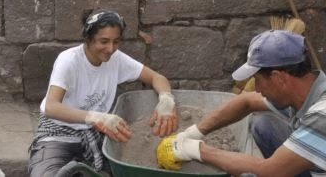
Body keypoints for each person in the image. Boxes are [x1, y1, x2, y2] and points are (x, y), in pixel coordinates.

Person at [29, 11, 178, 176]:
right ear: (88, 38)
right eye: (104, 41)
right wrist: (96, 117)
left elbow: (157, 78)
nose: (111, 48)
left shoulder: (116, 60)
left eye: (116, 42)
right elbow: (51, 107)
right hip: (59, 132)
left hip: (95, 133)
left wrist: (166, 99)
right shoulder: (69, 61)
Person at [159, 29, 326, 177]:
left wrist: (193, 149)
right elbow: (246, 101)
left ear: (278, 78)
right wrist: (193, 132)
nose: (257, 88)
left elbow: (269, 171)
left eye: (257, 80)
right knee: (263, 125)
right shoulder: (303, 92)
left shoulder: (321, 116)